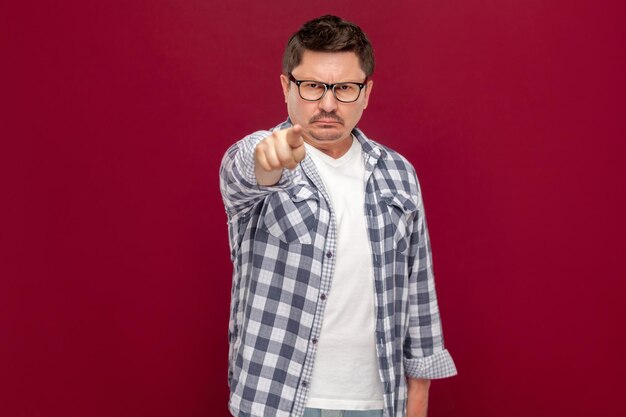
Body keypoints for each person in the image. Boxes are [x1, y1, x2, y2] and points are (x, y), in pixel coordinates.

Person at [220, 15, 456, 417]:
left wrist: (417, 398)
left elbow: (419, 292)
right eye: (312, 86)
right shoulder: (264, 157)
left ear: (366, 93)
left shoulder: (398, 174)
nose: (328, 104)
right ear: (286, 87)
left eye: (345, 88)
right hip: (277, 401)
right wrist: (266, 159)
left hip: (379, 404)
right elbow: (247, 169)